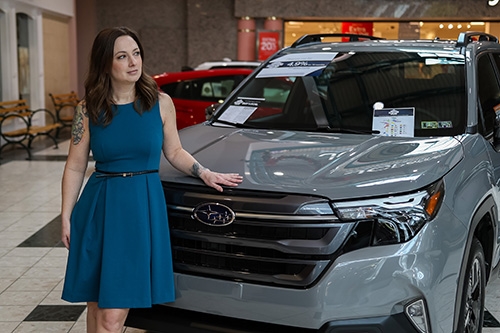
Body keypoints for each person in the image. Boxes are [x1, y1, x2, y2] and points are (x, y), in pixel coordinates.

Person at [60, 26, 243, 333]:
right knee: (95, 304)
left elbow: (174, 151)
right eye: (122, 56)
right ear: (106, 63)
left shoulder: (160, 103)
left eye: (136, 54)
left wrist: (204, 172)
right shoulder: (89, 108)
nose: (133, 62)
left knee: (111, 315)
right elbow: (75, 166)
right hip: (99, 207)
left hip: (140, 208)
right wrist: (66, 216)